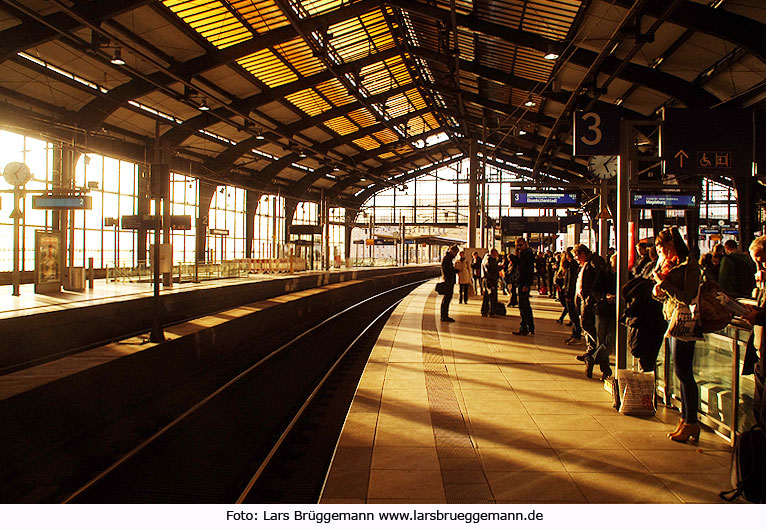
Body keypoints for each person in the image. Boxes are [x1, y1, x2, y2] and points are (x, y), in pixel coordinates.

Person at [652, 227, 702, 443]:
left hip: (686, 324)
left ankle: (692, 422)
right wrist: (658, 292)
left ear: (671, 246)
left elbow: (688, 296)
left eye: (660, 246)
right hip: (672, 320)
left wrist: (664, 284)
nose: (659, 251)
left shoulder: (690, 267)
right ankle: (685, 419)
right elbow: (667, 296)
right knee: (680, 372)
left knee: (684, 373)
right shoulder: (668, 265)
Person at [573, 244, 609, 378]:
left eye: (576, 255)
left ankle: (593, 356)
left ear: (582, 253)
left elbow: (598, 282)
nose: (576, 259)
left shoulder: (594, 262)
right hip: (587, 301)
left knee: (596, 333)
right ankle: (592, 353)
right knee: (588, 328)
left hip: (592, 302)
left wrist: (592, 297)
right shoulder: (587, 263)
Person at [742, 235, 766, 428]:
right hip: (760, 355)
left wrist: (758, 317)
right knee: (758, 410)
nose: (760, 267)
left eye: (762, 260)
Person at [513, 237, 535, 335]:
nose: (519, 247)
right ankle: (530, 326)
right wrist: (517, 255)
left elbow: (529, 271)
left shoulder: (528, 254)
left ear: (525, 244)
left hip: (524, 283)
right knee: (526, 305)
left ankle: (524, 328)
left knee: (523, 306)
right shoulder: (522, 254)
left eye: (520, 245)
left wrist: (527, 284)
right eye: (517, 246)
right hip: (521, 282)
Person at [440, 245, 459, 322]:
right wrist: (455, 271)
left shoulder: (448, 259)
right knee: (447, 298)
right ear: (452, 251)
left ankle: (445, 315)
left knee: (447, 298)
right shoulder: (447, 259)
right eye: (456, 253)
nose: (456, 255)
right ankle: (444, 316)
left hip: (449, 280)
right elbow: (448, 271)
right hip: (448, 281)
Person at [481, 248, 501, 316]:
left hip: (487, 279)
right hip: (491, 279)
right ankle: (491, 311)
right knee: (492, 296)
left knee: (486, 296)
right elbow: (492, 269)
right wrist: (500, 267)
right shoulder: (490, 259)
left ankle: (484, 311)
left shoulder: (485, 258)